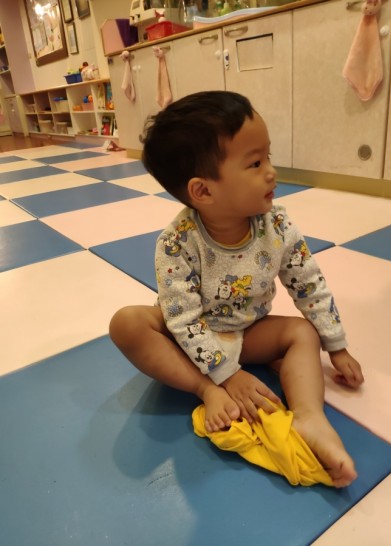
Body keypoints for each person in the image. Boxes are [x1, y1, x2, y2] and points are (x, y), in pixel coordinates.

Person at [109, 91, 364, 487]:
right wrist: (223, 377)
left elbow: (308, 283)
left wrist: (337, 345)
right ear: (203, 191)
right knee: (126, 324)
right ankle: (202, 388)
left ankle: (310, 417)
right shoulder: (177, 242)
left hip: (248, 330)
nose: (271, 172)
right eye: (255, 163)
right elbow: (182, 318)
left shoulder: (277, 225)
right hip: (188, 338)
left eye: (268, 157)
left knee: (302, 332)